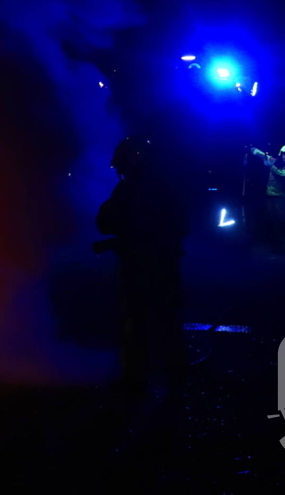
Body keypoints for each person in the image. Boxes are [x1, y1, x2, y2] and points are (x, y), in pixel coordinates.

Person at [96, 136, 188, 395]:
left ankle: (136, 379)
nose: (120, 169)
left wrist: (131, 235)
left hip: (138, 264)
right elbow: (182, 225)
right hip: (166, 262)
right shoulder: (167, 186)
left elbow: (104, 221)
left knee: (135, 320)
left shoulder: (130, 188)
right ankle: (176, 374)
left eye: (121, 164)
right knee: (167, 318)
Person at [251, 144, 285, 254]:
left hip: (282, 198)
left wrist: (270, 166)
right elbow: (262, 155)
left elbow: (283, 174)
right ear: (281, 153)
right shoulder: (275, 161)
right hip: (270, 196)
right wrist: (251, 148)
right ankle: (276, 245)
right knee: (272, 221)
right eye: (284, 154)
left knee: (281, 222)